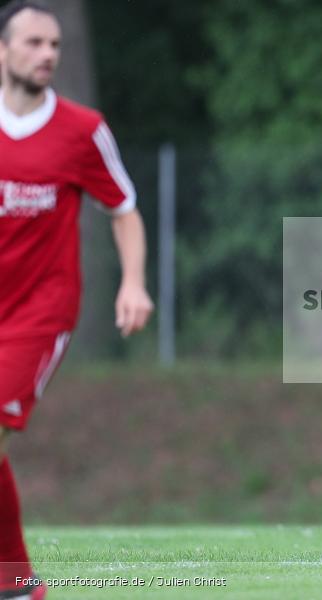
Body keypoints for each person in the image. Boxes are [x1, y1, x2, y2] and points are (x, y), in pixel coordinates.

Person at [0, 1, 153, 596]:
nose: (47, 55)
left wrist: (134, 282)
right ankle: (15, 583)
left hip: (40, 311)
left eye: (55, 45)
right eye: (34, 43)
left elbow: (123, 209)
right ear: (4, 50)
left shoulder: (82, 128)